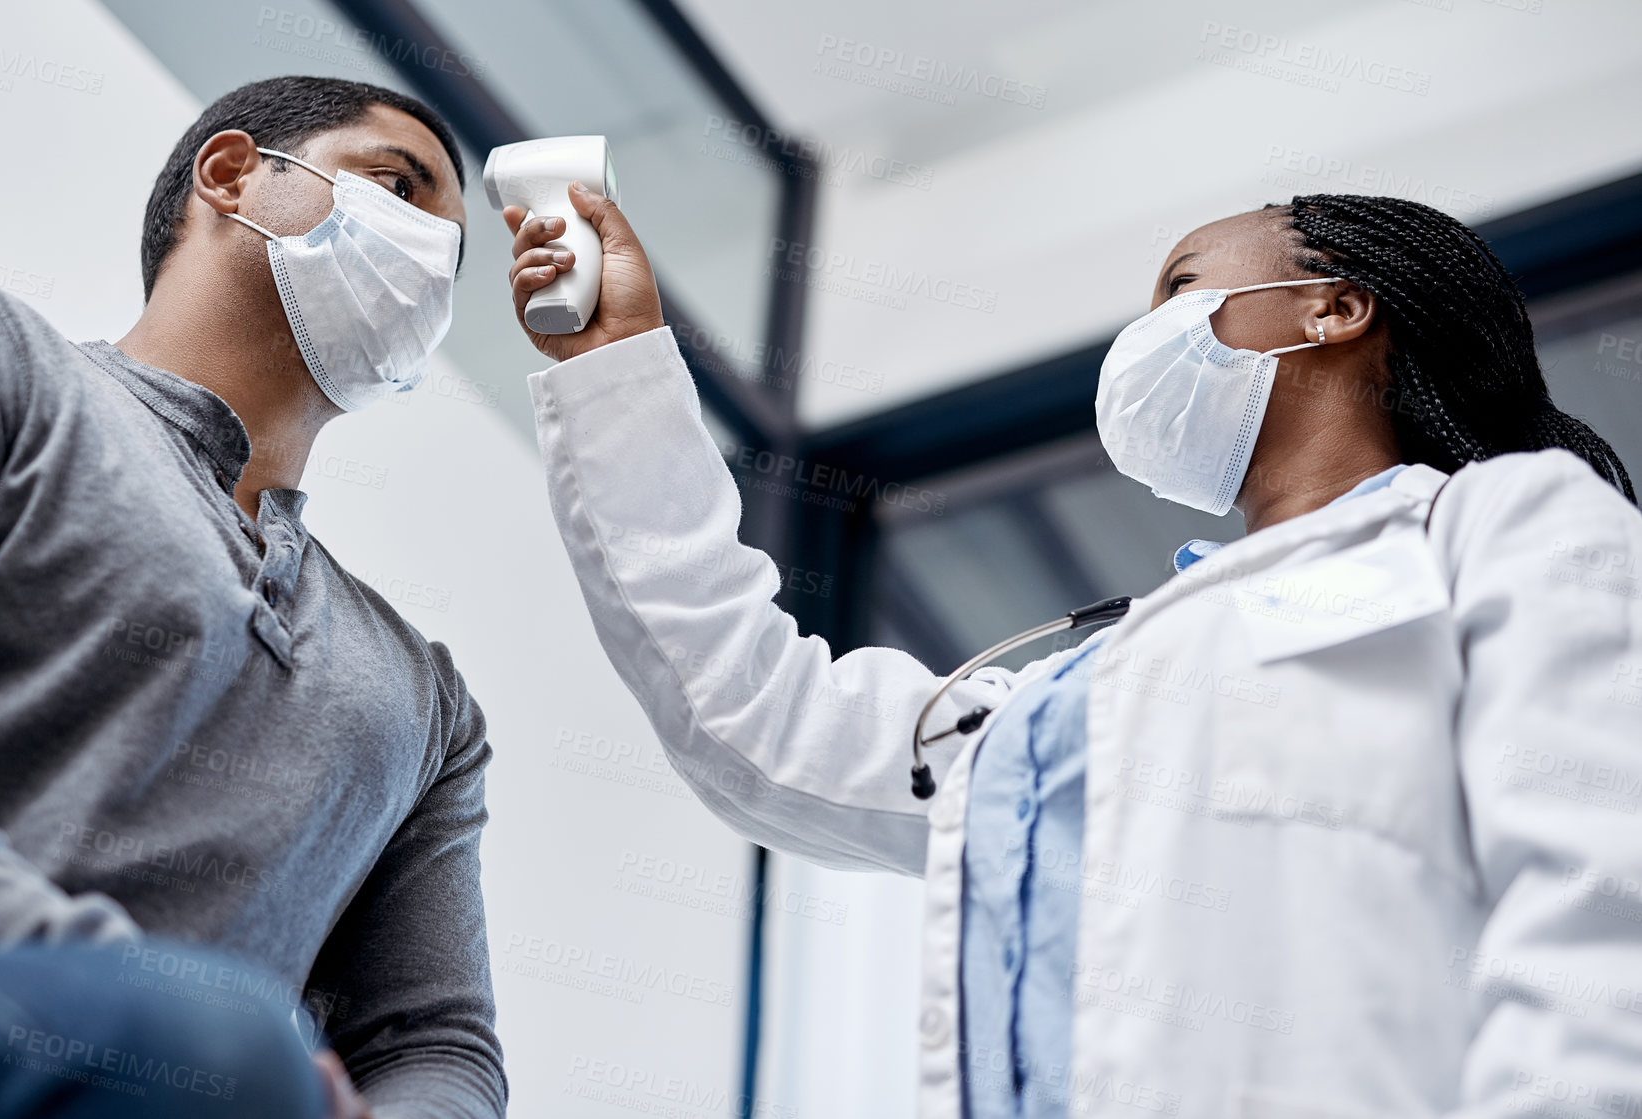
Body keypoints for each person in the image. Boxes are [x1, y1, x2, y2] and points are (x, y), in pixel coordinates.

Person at [504, 187, 1642, 1117]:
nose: (1141, 330)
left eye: (1179, 285)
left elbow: (1602, 909)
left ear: (1331, 309)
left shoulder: (1502, 530)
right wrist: (615, 372)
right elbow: (755, 725)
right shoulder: (1076, 698)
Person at [0, 77, 504, 1118]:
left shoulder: (427, 703)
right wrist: (152, 1019)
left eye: (453, 252)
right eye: (398, 188)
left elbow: (434, 1039)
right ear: (232, 173)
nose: (430, 257)